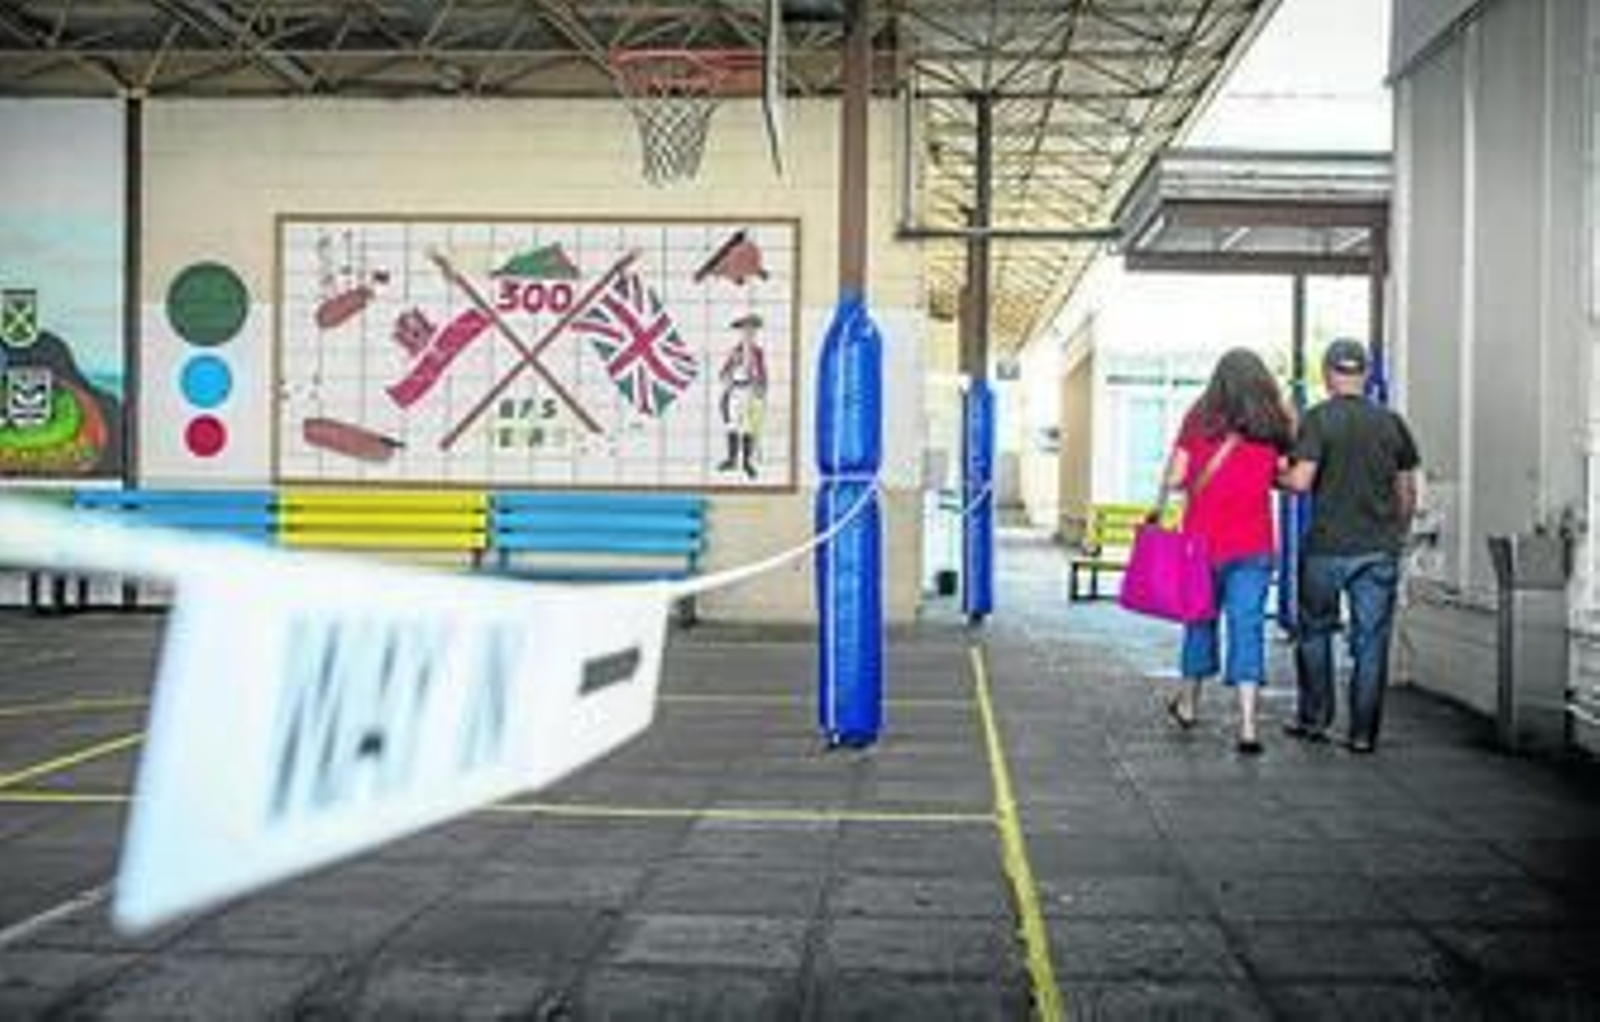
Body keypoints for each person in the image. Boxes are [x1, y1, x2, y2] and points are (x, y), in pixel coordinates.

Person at [1279, 339, 1419, 753]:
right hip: (1378, 550)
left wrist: (1275, 477)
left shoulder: (1319, 420)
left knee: (1315, 633)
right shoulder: (1392, 423)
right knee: (1371, 641)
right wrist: (1397, 532)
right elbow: (1407, 491)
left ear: (1327, 375)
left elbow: (1301, 481)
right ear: (1365, 373)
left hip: (1325, 548)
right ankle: (1362, 734)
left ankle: (1315, 719)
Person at [1157, 348, 1294, 754]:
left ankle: (1188, 704)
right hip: (1254, 544)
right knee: (1247, 626)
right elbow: (1284, 475)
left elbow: (1178, 477)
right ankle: (1249, 726)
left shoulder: (1200, 416)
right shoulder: (1274, 421)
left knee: (1199, 620)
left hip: (1202, 542)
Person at [717, 312, 768, 479]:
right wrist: (728, 377)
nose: (748, 334)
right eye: (745, 331)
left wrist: (760, 387)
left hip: (750, 392)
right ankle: (732, 459)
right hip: (735, 391)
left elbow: (762, 374)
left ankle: (747, 462)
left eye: (751, 331)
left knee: (748, 427)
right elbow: (723, 372)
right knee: (732, 424)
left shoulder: (758, 353)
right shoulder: (735, 352)